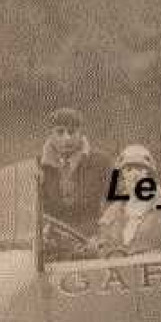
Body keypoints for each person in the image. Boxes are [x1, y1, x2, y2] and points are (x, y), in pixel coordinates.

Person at [38, 107, 114, 257]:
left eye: (72, 132)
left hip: (92, 239)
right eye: (60, 132)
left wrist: (104, 233)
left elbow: (118, 200)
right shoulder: (38, 165)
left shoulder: (102, 161)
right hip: (52, 242)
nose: (66, 138)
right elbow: (30, 209)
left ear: (81, 133)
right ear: (51, 135)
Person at [88, 145, 161, 257]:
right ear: (122, 177)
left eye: (139, 169)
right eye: (128, 169)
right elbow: (105, 242)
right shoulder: (114, 211)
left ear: (149, 173)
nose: (134, 175)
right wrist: (98, 245)